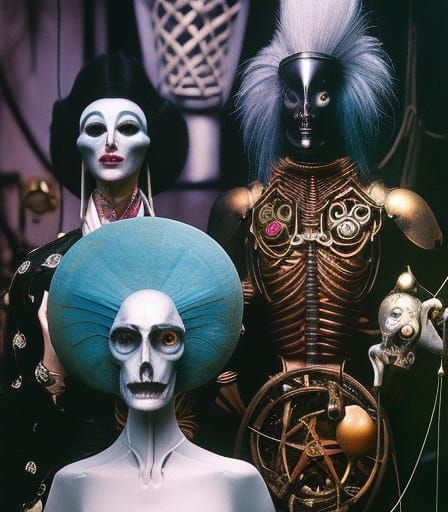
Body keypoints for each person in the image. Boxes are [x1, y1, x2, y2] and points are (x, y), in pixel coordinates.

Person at [207, 0, 442, 510]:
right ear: (277, 99)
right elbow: (210, 303)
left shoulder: (391, 209)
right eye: (293, 96)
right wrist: (224, 376)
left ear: (344, 99)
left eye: (322, 94)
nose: (306, 110)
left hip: (366, 407)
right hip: (264, 413)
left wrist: (403, 358)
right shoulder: (243, 208)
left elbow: (432, 305)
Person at [1, 53, 187, 512]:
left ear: (149, 141)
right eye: (95, 128)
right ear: (78, 142)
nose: (110, 141)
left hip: (171, 479)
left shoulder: (190, 265)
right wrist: (50, 368)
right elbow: (14, 418)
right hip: (71, 474)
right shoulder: (38, 272)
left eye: (128, 127)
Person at [44, 217, 275, 512]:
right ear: (109, 348)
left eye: (166, 339)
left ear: (185, 348)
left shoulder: (238, 482)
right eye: (126, 339)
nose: (145, 362)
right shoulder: (74, 484)